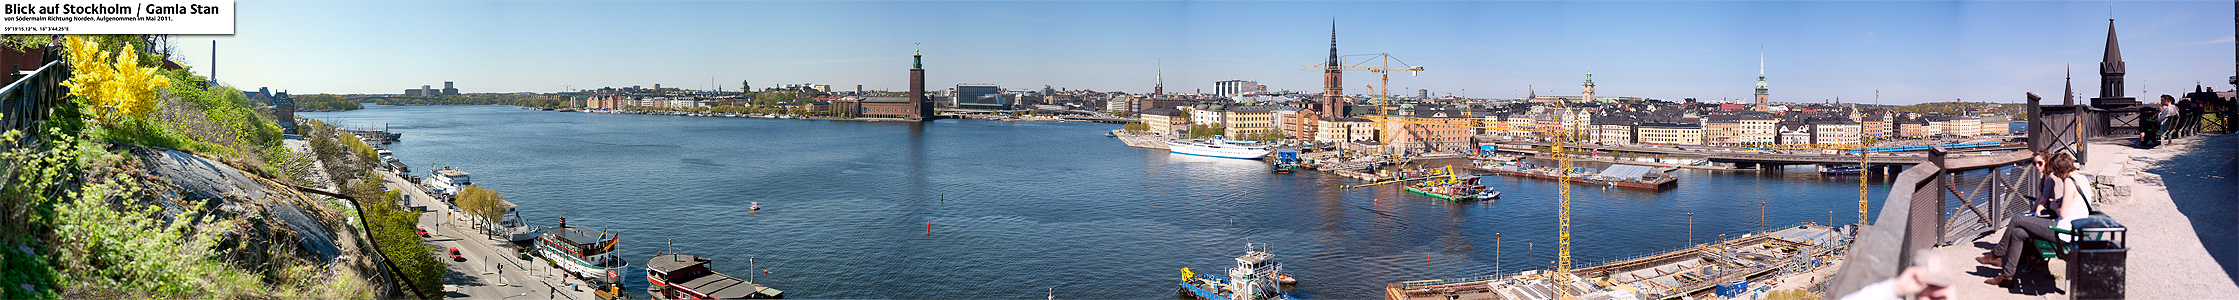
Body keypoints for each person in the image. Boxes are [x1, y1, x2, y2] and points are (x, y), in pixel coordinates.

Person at [1975, 152, 2088, 286]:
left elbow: (2063, 213)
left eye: (2056, 173)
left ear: (2060, 170)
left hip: (2064, 232)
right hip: (2071, 230)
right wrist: (2058, 202)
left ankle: (1996, 254)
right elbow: (2074, 205)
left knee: (2017, 219)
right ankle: (2007, 276)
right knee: (2018, 233)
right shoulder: (2082, 179)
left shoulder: (2070, 181)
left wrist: (2054, 206)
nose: (2056, 176)